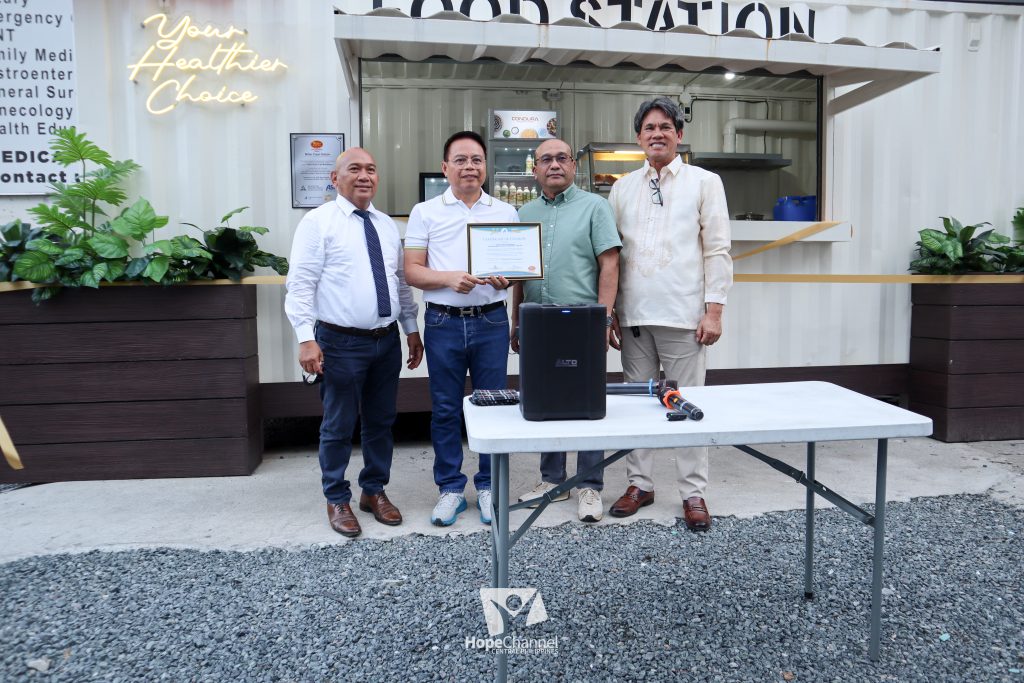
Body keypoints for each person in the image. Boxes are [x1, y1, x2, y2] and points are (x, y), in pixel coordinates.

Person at [607, 97, 733, 531]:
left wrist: (714, 311)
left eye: (665, 127)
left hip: (684, 316)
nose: (657, 134)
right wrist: (612, 312)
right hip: (634, 317)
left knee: (688, 404)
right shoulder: (622, 187)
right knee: (637, 406)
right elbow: (612, 256)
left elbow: (717, 249)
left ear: (679, 134)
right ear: (638, 137)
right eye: (649, 128)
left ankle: (693, 491)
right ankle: (639, 484)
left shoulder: (704, 182)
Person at [284, 148, 423, 538]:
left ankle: (373, 490)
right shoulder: (318, 222)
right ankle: (336, 497)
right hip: (339, 343)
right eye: (355, 169)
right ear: (335, 178)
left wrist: (411, 328)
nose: (365, 175)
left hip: (385, 341)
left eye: (371, 169)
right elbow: (301, 283)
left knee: (381, 421)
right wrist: (306, 339)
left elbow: (398, 284)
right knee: (338, 424)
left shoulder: (386, 225)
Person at [404, 131, 517, 527]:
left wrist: (508, 278)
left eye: (477, 160)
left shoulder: (505, 212)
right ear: (445, 167)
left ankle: (488, 485)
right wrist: (449, 278)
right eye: (461, 160)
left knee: (493, 406)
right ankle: (450, 488)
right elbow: (412, 270)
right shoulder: (425, 212)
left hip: (491, 320)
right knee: (446, 408)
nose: (470, 167)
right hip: (443, 322)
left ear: (486, 166)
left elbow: (517, 269)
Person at [512, 138, 621, 523]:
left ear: (573, 165)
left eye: (562, 158)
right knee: (546, 400)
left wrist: (603, 319)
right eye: (546, 159)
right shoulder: (524, 213)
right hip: (537, 320)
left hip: (583, 320)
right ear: (535, 170)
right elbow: (520, 274)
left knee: (586, 403)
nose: (554, 165)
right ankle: (553, 481)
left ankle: (589, 485)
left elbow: (610, 265)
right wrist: (516, 320)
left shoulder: (595, 207)